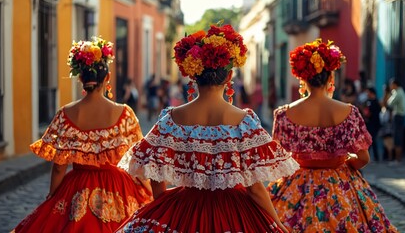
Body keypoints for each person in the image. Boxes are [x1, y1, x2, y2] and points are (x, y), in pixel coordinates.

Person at [116, 24, 299, 233]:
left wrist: (171, 211)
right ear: (229, 77)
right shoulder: (244, 122)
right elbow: (256, 188)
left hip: (184, 210)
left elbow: (156, 179)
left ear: (193, 76)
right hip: (234, 214)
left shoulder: (171, 119)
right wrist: (278, 224)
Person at [12, 37, 152, 233]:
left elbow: (59, 168)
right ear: (107, 78)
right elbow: (137, 161)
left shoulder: (66, 114)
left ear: (80, 79)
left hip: (77, 186)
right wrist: (147, 190)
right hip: (118, 187)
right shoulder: (124, 113)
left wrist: (53, 196)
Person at [267, 39, 398, 232]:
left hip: (297, 189)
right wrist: (342, 163)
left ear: (302, 79)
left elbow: (278, 164)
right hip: (340, 187)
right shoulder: (349, 112)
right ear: (331, 77)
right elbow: (363, 158)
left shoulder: (284, 115)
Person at [387, 78, 405, 164]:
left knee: (397, 137)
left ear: (395, 85)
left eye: (391, 84)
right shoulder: (400, 92)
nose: (390, 86)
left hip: (398, 116)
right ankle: (398, 159)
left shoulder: (398, 93)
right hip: (400, 116)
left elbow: (389, 103)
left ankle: (397, 159)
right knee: (398, 137)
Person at [362, 87, 382, 162]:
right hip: (369, 124)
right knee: (369, 140)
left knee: (372, 140)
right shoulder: (368, 101)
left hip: (374, 124)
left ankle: (374, 157)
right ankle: (369, 157)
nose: (367, 94)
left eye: (368, 92)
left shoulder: (376, 102)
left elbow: (373, 113)